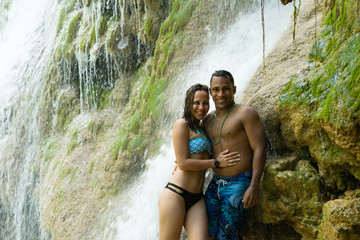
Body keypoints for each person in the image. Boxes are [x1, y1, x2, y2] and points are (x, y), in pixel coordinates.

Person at [158, 83, 241, 240]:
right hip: (175, 194)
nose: (201, 107)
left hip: (197, 198)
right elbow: (183, 163)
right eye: (196, 102)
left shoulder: (203, 128)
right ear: (189, 103)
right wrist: (215, 162)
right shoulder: (181, 124)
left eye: (205, 103)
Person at [202, 70, 266, 240]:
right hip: (215, 185)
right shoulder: (207, 121)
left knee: (227, 236)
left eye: (225, 89)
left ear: (234, 89)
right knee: (208, 234)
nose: (221, 94)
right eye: (216, 90)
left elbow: (259, 148)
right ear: (210, 92)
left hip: (239, 183)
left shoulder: (245, 113)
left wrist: (254, 185)